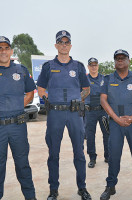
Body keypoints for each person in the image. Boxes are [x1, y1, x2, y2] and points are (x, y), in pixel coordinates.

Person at [37, 30, 92, 200]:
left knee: (79, 153)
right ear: (56, 45)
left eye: (67, 42)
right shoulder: (48, 67)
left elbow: (86, 89)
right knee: (53, 153)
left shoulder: (78, 66)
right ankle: (54, 189)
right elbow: (40, 89)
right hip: (55, 115)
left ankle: (82, 188)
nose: (64, 45)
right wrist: (49, 101)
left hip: (75, 115)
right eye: (61, 42)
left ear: (70, 45)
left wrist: (78, 100)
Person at [99, 49, 132, 200]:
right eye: (117, 58)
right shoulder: (108, 78)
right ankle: (110, 186)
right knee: (114, 156)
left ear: (128, 61)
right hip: (115, 125)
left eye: (123, 58)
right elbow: (103, 100)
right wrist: (116, 118)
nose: (120, 60)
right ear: (115, 62)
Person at [0, 36, 37, 200]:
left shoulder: (21, 70)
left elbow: (30, 93)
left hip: (17, 126)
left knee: (22, 165)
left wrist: (17, 105)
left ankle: (30, 197)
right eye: (0, 48)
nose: (3, 51)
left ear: (11, 51)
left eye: (6, 48)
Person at [85, 57, 109, 168]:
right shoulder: (84, 79)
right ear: (88, 67)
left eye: (95, 65)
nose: (93, 67)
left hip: (103, 111)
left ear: (98, 66)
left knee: (107, 134)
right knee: (90, 136)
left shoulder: (104, 79)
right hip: (89, 112)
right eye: (91, 65)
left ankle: (108, 156)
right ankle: (92, 158)